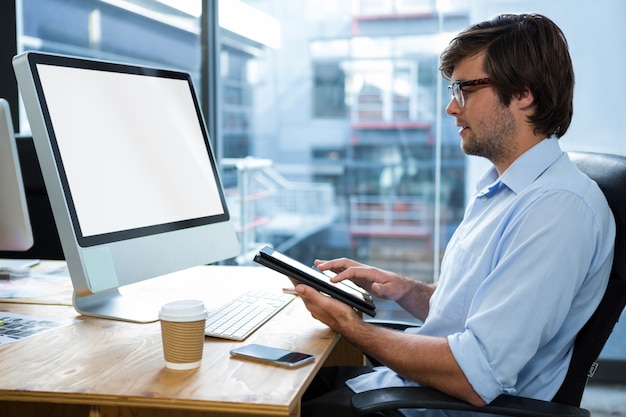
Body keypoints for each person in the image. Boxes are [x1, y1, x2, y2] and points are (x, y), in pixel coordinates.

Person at [297, 13, 616, 417]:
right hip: (408, 389)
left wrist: (351, 327)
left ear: (523, 94)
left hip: (432, 406)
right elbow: (475, 316)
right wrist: (407, 290)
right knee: (275, 373)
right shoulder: (501, 190)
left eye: (464, 89)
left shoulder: (558, 210)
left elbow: (473, 374)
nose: (451, 107)